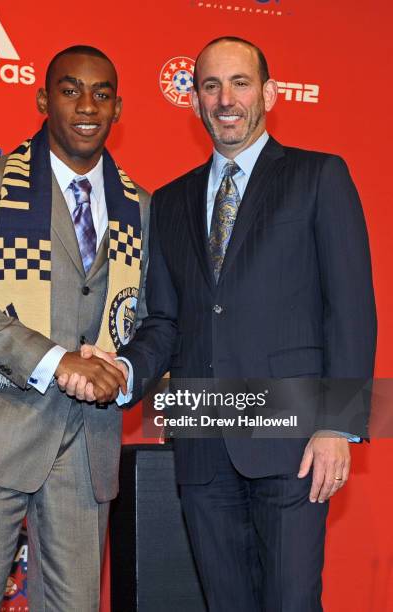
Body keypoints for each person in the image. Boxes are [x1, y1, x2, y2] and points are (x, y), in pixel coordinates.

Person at [71, 37, 377, 611]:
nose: (225, 99)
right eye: (210, 86)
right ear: (194, 102)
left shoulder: (319, 177)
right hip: (202, 443)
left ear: (269, 93)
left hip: (293, 441)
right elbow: (163, 320)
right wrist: (126, 368)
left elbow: (352, 310)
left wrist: (338, 426)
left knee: (290, 602)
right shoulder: (170, 200)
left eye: (239, 83)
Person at [0, 45, 149, 611]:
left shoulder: (141, 207)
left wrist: (121, 371)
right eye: (70, 89)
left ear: (118, 108)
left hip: (88, 444)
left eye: (102, 94)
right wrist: (55, 361)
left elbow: (150, 321)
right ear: (42, 99)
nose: (86, 105)